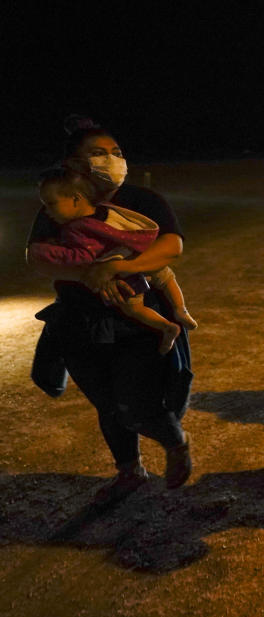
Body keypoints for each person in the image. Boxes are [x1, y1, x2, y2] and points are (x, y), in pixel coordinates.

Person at [26, 116, 193, 506]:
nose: (111, 160)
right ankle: (129, 471)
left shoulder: (141, 201)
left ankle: (175, 442)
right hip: (79, 321)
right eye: (98, 153)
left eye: (115, 152)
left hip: (136, 320)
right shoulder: (57, 203)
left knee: (137, 402)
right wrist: (89, 274)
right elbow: (38, 258)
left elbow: (171, 247)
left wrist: (118, 267)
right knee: (106, 403)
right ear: (73, 165)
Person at [31, 168, 197, 354]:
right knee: (167, 277)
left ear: (76, 199)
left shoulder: (75, 229)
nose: (47, 211)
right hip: (142, 258)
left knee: (134, 309)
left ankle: (166, 326)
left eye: (51, 204)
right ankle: (181, 309)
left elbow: (83, 258)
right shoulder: (108, 211)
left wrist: (52, 251)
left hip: (125, 276)